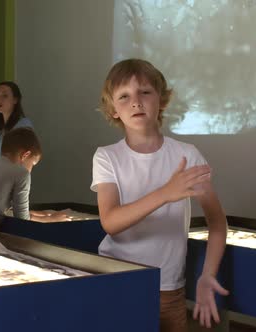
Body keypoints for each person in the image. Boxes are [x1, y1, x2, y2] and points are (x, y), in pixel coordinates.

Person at [91, 59, 228, 331]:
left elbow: (217, 223)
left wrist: (207, 275)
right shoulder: (106, 156)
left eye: (145, 92)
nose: (136, 102)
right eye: (124, 96)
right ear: (113, 109)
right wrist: (165, 193)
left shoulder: (187, 154)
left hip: (169, 289)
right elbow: (110, 222)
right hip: (118, 281)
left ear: (161, 100)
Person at [0, 81, 34, 159]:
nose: (0, 99)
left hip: (14, 171)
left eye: (5, 95)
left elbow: (28, 156)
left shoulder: (23, 124)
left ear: (15, 100)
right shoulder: (0, 129)